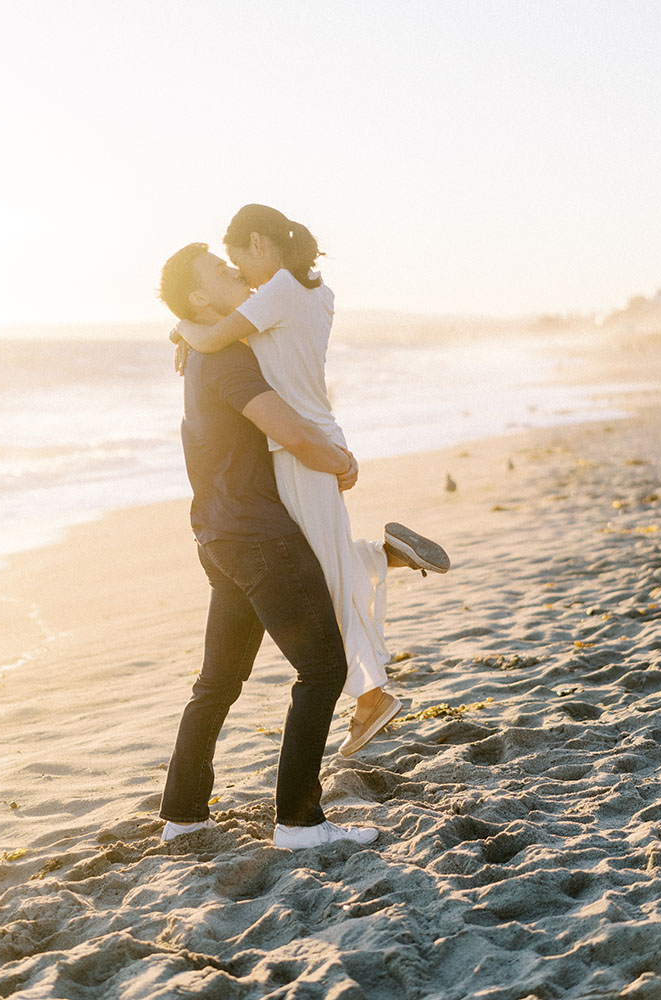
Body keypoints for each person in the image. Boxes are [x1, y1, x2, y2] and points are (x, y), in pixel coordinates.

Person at [172, 205, 450, 756]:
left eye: (237, 263)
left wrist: (182, 328)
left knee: (318, 575)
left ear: (258, 243)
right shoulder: (313, 291)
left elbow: (211, 340)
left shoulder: (274, 291)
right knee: (319, 562)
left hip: (299, 447)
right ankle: (381, 559)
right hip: (317, 435)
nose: (240, 277)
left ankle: (370, 694)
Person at [157, 242, 380, 850]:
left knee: (218, 681)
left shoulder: (205, 353)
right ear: (202, 297)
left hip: (218, 533)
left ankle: (183, 816)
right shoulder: (228, 359)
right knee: (323, 667)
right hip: (258, 536)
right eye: (222, 271)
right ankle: (299, 824)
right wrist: (342, 460)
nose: (237, 272)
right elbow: (288, 431)